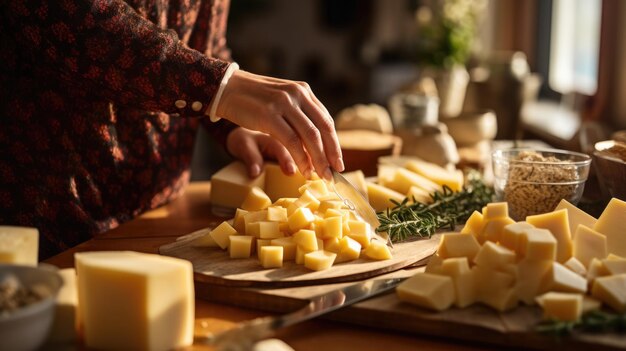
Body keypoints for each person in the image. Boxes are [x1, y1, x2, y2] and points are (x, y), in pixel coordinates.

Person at [0, 0, 344, 259]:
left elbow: (202, 42)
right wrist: (218, 86)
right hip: (50, 223)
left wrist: (230, 123)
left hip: (162, 220)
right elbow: (74, 21)